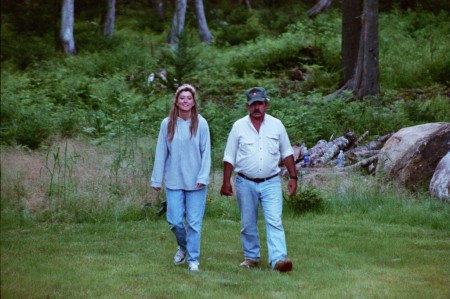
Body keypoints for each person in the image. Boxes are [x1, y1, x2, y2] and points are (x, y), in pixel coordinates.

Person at [220, 86, 298, 272]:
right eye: (253, 104)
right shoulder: (238, 127)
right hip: (244, 181)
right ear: (247, 106)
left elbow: (286, 153)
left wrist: (293, 177)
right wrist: (225, 182)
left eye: (260, 103)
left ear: (266, 104)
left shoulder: (276, 125)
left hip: (271, 181)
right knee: (248, 222)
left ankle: (278, 260)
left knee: (274, 220)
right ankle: (251, 257)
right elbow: (229, 156)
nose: (257, 107)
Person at [151, 84, 211, 272]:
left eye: (189, 98)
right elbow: (161, 152)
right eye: (182, 98)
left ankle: (193, 259)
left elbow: (206, 152)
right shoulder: (167, 123)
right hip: (174, 180)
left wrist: (203, 176)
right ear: (176, 101)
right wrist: (156, 179)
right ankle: (183, 246)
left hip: (196, 182)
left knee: (194, 223)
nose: (185, 101)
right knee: (175, 220)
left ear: (194, 103)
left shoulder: (201, 123)